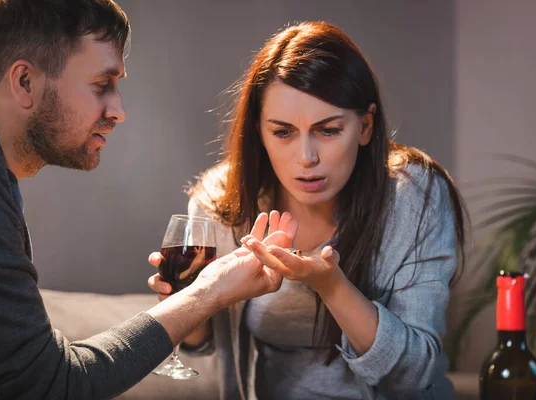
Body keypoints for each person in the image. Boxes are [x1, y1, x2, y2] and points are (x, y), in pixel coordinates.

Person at [0, 1, 298, 398]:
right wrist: (208, 293)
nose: (119, 110)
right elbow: (50, 387)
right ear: (25, 82)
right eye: (102, 85)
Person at [148, 21, 468, 399]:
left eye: (328, 130)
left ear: (364, 126)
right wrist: (189, 306)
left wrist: (330, 285)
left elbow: (416, 373)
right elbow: (204, 347)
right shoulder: (220, 202)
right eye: (282, 132)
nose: (306, 158)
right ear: (259, 133)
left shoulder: (415, 196)